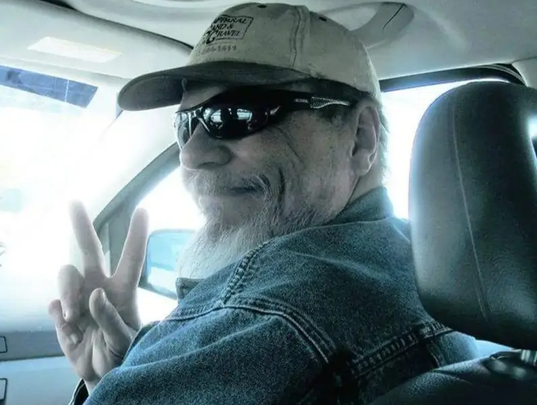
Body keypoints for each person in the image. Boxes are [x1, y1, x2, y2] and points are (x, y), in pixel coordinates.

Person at [48, 3, 477, 404]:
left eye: (235, 114)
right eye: (186, 124)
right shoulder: (424, 275)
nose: (191, 155)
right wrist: (127, 375)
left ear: (360, 138)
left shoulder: (270, 318)